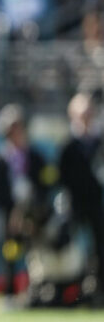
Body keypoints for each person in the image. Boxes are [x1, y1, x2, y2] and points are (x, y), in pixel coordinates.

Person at [0, 104, 53, 308]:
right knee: (8, 253)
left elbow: (46, 184)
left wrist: (33, 208)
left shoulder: (36, 156)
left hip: (32, 215)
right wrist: (11, 208)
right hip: (7, 215)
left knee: (33, 253)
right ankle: (9, 293)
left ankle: (34, 291)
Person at [58, 93, 104, 304]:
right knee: (73, 248)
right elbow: (62, 177)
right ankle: (71, 291)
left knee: (98, 248)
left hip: (96, 204)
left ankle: (96, 289)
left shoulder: (99, 143)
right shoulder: (68, 146)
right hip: (75, 204)